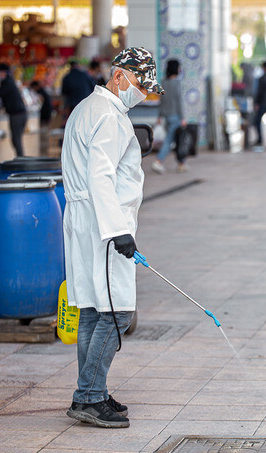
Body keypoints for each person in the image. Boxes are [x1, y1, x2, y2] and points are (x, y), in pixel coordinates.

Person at [61, 47, 164, 429]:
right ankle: (88, 396)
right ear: (119, 76)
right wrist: (117, 230)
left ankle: (93, 391)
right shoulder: (107, 116)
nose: (142, 93)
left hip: (85, 219)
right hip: (103, 223)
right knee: (118, 310)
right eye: (140, 84)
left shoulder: (90, 108)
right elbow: (100, 176)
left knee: (91, 307)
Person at [151, 59, 187, 174]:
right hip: (175, 117)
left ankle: (182, 164)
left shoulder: (164, 82)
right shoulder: (177, 83)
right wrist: (182, 118)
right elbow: (179, 102)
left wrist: (159, 116)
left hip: (166, 116)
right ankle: (158, 161)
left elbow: (162, 101)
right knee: (170, 140)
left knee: (177, 139)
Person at [0, 63, 27, 156]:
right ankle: (20, 158)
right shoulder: (9, 82)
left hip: (17, 115)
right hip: (19, 114)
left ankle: (21, 160)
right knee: (16, 139)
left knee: (16, 139)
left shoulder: (8, 82)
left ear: (3, 73)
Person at [30, 80, 54, 156]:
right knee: (44, 135)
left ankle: (44, 154)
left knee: (44, 136)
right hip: (47, 116)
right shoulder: (43, 92)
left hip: (44, 117)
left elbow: (39, 104)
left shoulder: (40, 94)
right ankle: (44, 153)